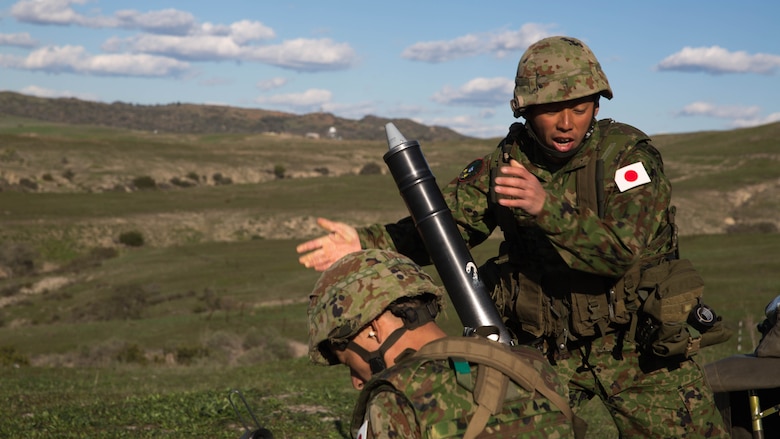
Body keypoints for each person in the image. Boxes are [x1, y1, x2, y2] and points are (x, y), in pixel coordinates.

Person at [298, 36, 729, 437]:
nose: (566, 123)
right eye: (550, 109)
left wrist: (546, 208)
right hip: (544, 352)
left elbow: (623, 253)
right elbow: (446, 229)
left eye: (579, 108)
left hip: (637, 350)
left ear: (597, 106)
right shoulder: (505, 164)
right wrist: (365, 241)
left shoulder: (628, 159)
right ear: (524, 110)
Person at [308, 248, 576, 439]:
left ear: (373, 331)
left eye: (348, 363)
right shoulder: (533, 366)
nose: (356, 381)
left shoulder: (396, 400)